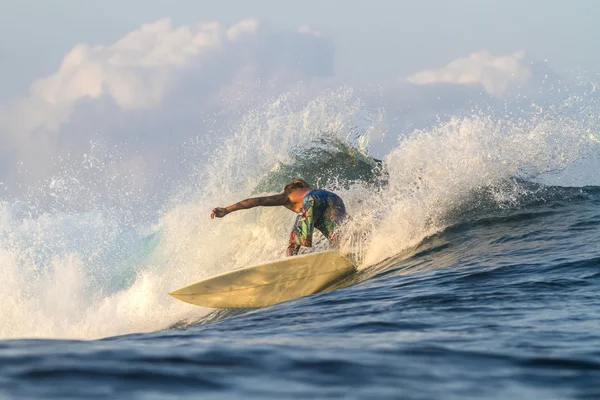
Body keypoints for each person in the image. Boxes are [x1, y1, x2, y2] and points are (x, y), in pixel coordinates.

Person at [211, 179, 347, 256]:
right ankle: (349, 248)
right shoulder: (313, 191)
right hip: (333, 198)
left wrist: (227, 210)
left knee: (293, 245)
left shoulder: (288, 195)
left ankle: (291, 265)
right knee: (337, 237)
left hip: (311, 200)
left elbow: (256, 201)